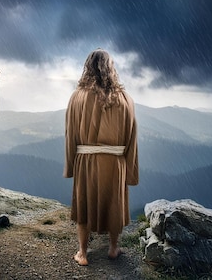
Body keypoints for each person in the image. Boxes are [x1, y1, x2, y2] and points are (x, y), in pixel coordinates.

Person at [64, 49, 138, 266]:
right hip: (115, 163)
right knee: (114, 205)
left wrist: (70, 166)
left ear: (88, 67)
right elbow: (132, 137)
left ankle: (83, 253)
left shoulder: (77, 97)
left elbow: (71, 135)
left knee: (84, 206)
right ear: (111, 68)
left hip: (86, 163)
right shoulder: (125, 99)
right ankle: (113, 248)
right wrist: (130, 172)